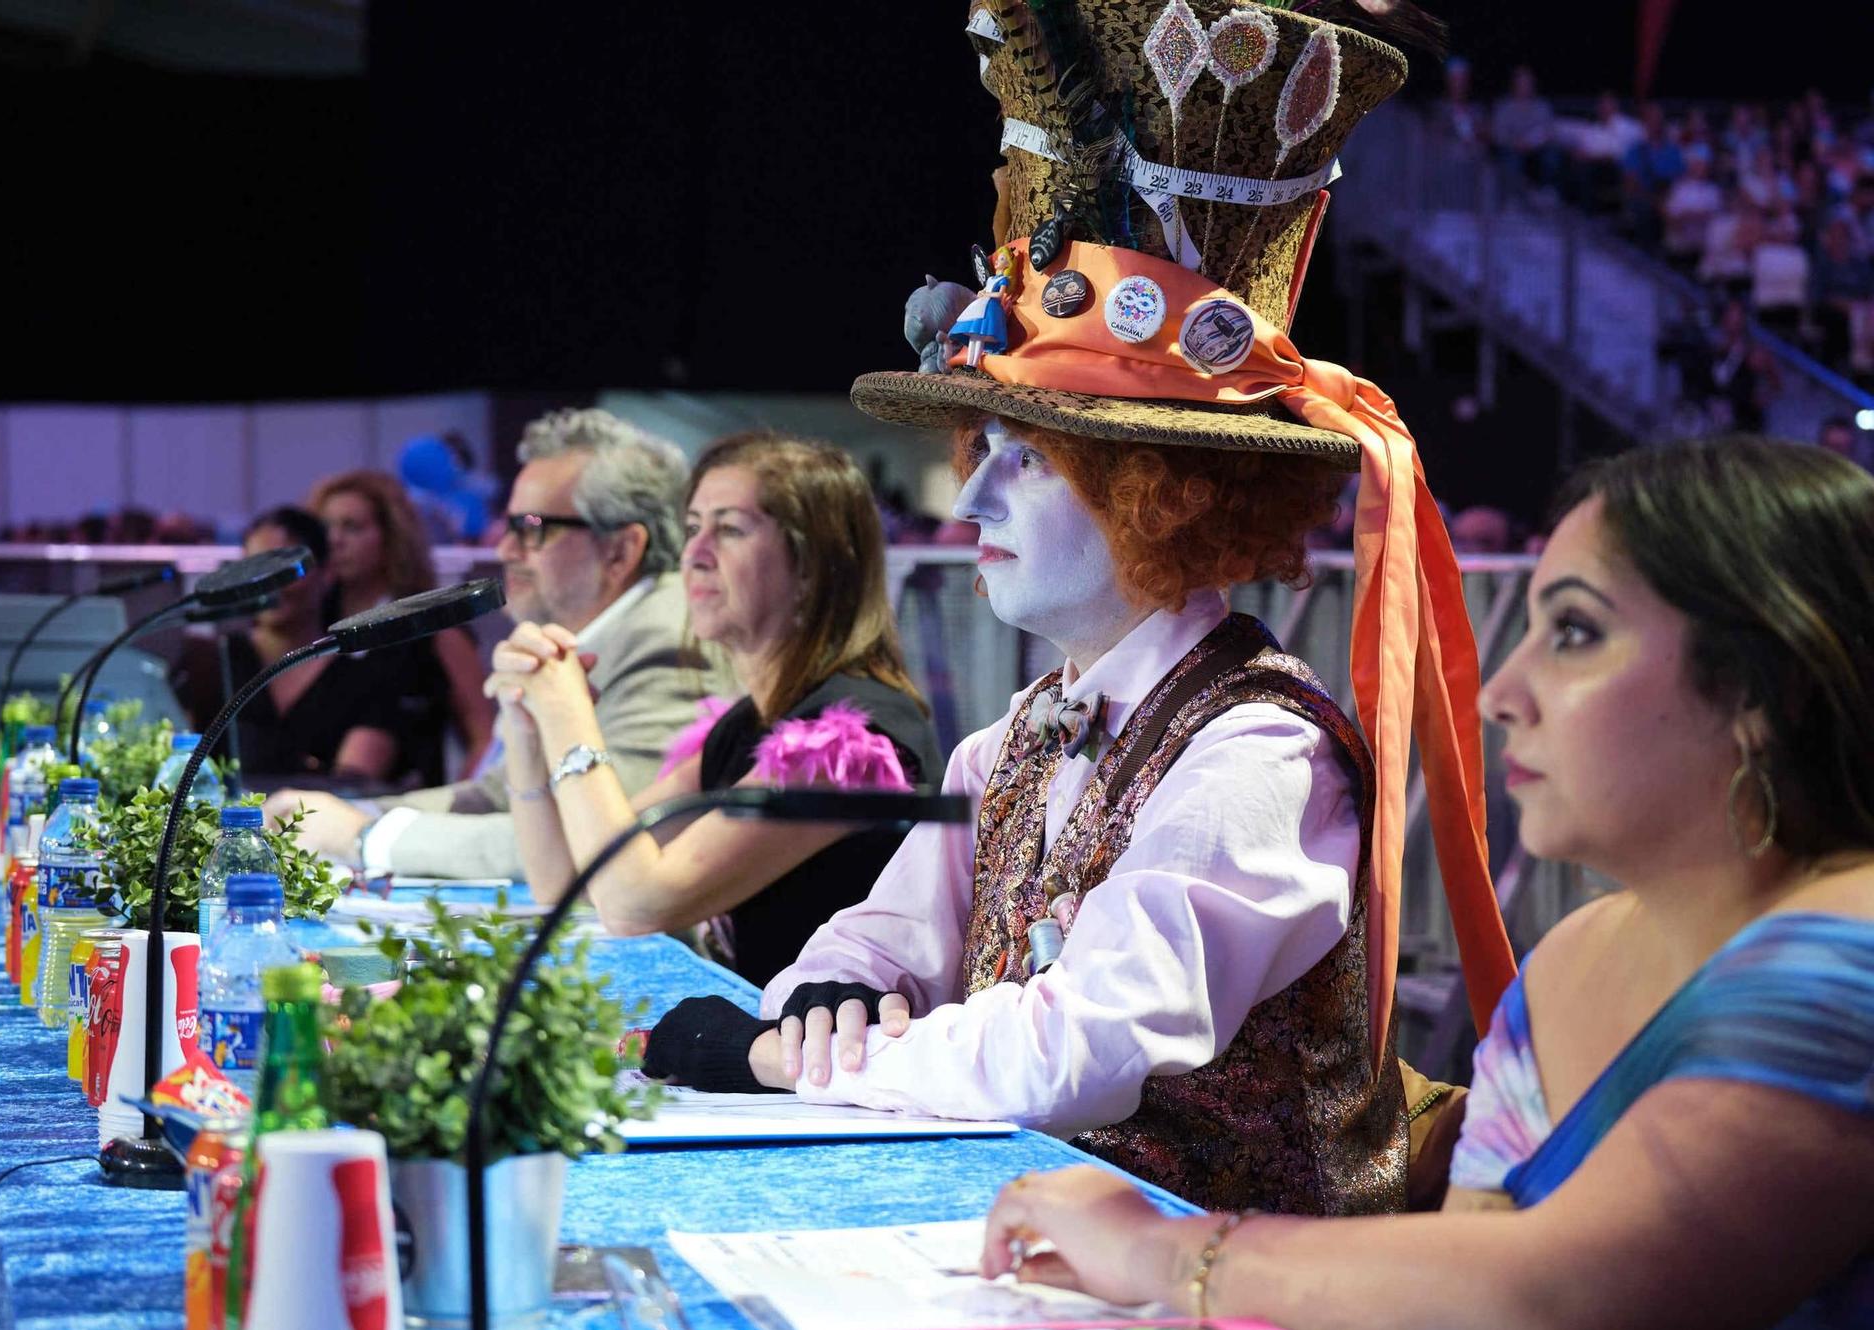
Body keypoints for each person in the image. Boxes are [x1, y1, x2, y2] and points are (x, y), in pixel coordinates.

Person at [636, 0, 1514, 1216]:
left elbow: (1077, 1050)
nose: (973, 489)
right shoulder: (1014, 739)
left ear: (1170, 495)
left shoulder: (1264, 751)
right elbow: (870, 944)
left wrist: (776, 1056)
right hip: (1039, 1247)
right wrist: (823, 999)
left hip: (1234, 1283)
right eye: (979, 442)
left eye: (1033, 457)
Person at [978, 438, 1874, 1330]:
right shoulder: (1570, 957)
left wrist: (1160, 1250)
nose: (1501, 691)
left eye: (1574, 631)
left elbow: (1553, 1291)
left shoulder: (1848, 962)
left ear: (1773, 685)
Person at [485, 433, 940, 984]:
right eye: (694, 527)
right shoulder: (743, 726)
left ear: (812, 567)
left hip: (828, 1062)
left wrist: (568, 715)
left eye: (728, 530)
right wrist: (528, 725)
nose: (695, 555)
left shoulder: (853, 742)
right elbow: (565, 882)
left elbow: (638, 904)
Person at [269, 408, 733, 881]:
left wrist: (362, 837)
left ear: (621, 550)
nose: (505, 550)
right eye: (508, 525)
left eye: (531, 527)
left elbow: (592, 844)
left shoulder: (670, 644)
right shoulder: (591, 635)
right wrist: (338, 815)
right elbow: (495, 794)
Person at [175, 507, 405, 781]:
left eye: (283, 571)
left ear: (327, 572)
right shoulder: (211, 662)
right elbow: (173, 761)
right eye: (254, 568)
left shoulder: (366, 677)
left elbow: (354, 783)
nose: (268, 584)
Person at [307, 468, 493, 786]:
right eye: (326, 527)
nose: (334, 540)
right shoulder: (310, 623)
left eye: (352, 527)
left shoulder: (436, 629)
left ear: (391, 537)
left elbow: (484, 739)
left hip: (409, 811)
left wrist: (454, 810)